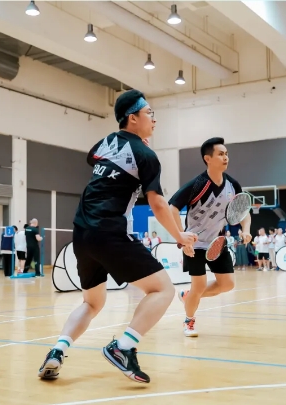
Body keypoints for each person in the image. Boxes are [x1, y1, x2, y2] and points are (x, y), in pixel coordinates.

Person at [37, 89, 197, 383]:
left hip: (82, 234)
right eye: (149, 113)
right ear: (133, 118)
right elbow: (158, 204)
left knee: (92, 303)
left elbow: (93, 157)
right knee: (163, 290)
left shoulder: (105, 143)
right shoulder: (146, 155)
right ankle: (123, 347)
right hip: (110, 232)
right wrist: (179, 236)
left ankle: (57, 351)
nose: (154, 119)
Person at [169, 137, 251, 338]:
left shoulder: (232, 185)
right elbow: (172, 208)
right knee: (199, 285)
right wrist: (182, 238)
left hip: (217, 243)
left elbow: (243, 212)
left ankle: (189, 296)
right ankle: (189, 321)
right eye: (221, 154)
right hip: (194, 244)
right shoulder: (198, 184)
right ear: (208, 159)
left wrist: (246, 229)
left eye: (226, 154)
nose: (226, 157)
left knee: (227, 284)